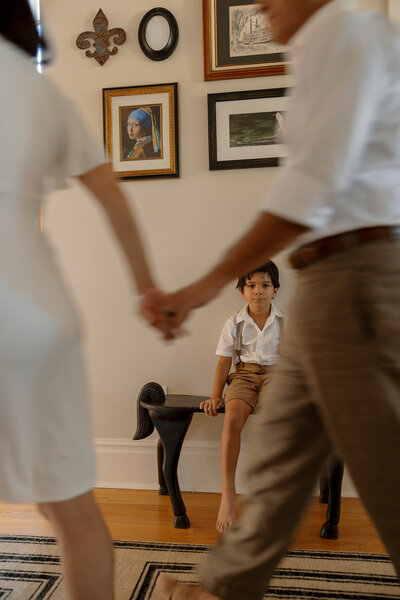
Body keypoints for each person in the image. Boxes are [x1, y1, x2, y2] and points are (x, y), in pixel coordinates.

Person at [142, 1, 400, 599]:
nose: (258, 4)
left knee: (387, 467)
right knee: (282, 453)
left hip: (357, 275)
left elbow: (305, 192)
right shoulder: (323, 44)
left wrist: (201, 287)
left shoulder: (343, 32)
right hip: (329, 277)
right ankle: (225, 587)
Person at [0, 2, 161, 599]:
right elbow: (114, 198)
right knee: (70, 509)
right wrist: (148, 290)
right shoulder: (44, 92)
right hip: (45, 320)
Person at [200, 261, 284, 532]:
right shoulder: (234, 323)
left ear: (276, 290)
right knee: (233, 419)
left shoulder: (284, 322)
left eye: (265, 285)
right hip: (243, 375)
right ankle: (228, 494)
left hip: (277, 375)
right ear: (241, 291)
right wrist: (216, 395)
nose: (258, 290)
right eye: (251, 285)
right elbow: (224, 362)